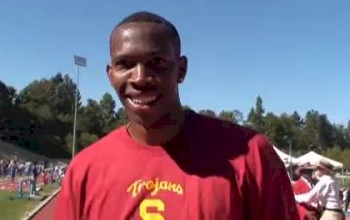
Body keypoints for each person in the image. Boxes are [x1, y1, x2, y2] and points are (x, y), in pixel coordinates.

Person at [55, 11, 299, 220]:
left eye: (156, 62)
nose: (139, 77)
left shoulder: (251, 156)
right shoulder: (85, 170)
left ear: (181, 70)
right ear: (111, 75)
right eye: (125, 64)